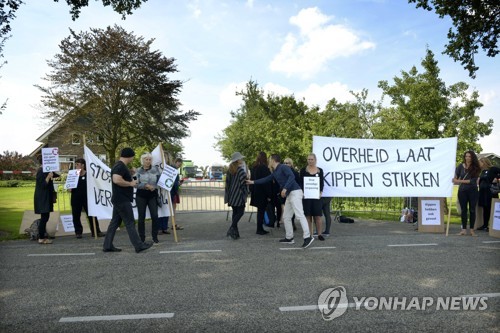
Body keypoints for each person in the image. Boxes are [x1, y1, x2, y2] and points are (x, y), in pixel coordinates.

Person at [247, 154, 314, 249]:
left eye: (270, 160)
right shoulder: (275, 171)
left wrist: (285, 188)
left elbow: (291, 176)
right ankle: (289, 237)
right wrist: (253, 182)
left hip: (295, 192)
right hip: (290, 194)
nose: (269, 161)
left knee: (299, 215)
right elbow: (266, 179)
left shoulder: (283, 167)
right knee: (286, 217)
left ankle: (307, 237)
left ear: (273, 160)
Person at [103, 148, 153, 253]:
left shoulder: (120, 166)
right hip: (122, 199)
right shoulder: (120, 166)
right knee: (130, 222)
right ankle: (138, 245)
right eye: (133, 156)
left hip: (119, 199)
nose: (133, 158)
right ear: (130, 156)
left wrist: (131, 174)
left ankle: (107, 245)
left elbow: (124, 178)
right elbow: (116, 179)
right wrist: (130, 183)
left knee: (114, 223)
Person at [70, 158, 104, 238]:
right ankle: (78, 232)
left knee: (91, 214)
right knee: (76, 215)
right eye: (76, 165)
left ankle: (96, 231)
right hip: (75, 198)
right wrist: (69, 187)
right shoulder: (73, 175)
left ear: (83, 165)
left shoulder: (88, 175)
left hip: (87, 198)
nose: (76, 166)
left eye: (78, 165)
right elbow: (69, 187)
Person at [452, 150, 480, 236]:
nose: (467, 158)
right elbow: (455, 176)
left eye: (469, 156)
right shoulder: (460, 166)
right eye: (466, 156)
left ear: (472, 158)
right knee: (463, 210)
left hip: (472, 191)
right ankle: (463, 229)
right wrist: (455, 178)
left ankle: (471, 230)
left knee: (472, 210)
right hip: (462, 191)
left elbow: (472, 181)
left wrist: (458, 180)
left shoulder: (476, 167)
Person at [135, 153, 162, 244]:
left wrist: (155, 187)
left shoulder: (156, 169)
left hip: (152, 195)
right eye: (146, 159)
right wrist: (146, 185)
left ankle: (155, 237)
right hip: (141, 196)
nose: (148, 161)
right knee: (141, 217)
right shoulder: (138, 170)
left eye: (149, 159)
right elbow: (135, 184)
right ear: (142, 160)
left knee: (155, 216)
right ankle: (141, 238)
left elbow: (160, 182)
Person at [33, 154, 58, 244]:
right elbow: (43, 185)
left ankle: (42, 236)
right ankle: (41, 238)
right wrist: (48, 177)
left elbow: (56, 175)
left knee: (45, 217)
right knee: (44, 218)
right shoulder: (40, 171)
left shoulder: (47, 170)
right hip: (42, 198)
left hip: (46, 197)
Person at [300, 153, 325, 241]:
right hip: (306, 197)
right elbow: (300, 183)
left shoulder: (320, 171)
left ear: (315, 160)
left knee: (318, 216)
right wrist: (302, 192)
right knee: (308, 216)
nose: (310, 161)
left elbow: (322, 183)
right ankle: (310, 234)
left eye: (311, 159)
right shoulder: (303, 170)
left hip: (316, 197)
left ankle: (319, 234)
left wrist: (321, 192)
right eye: (308, 159)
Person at [224, 152, 249, 240]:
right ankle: (232, 228)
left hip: (232, 195)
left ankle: (235, 234)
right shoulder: (241, 171)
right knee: (241, 212)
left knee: (235, 213)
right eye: (241, 158)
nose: (242, 160)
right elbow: (244, 183)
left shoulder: (230, 170)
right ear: (237, 160)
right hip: (239, 195)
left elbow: (227, 184)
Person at [250, 152, 272, 235]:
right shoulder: (264, 168)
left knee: (260, 211)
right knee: (261, 211)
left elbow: (252, 180)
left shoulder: (254, 167)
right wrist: (269, 194)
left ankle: (259, 228)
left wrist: (252, 191)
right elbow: (266, 182)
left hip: (256, 192)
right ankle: (259, 229)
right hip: (262, 193)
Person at [477, 158, 500, 231]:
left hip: (490, 192)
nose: (479, 164)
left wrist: (497, 178)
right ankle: (485, 225)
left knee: (491, 208)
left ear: (484, 162)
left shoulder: (493, 169)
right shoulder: (482, 171)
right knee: (485, 209)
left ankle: (492, 225)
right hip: (483, 192)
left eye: (480, 162)